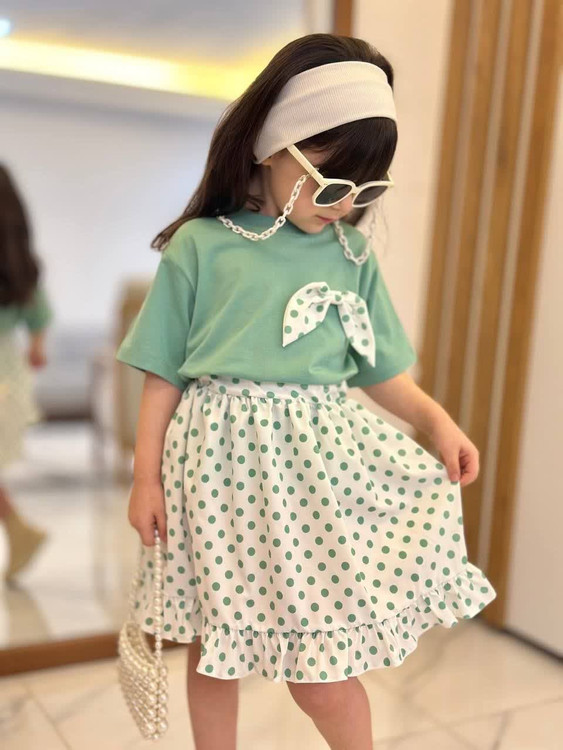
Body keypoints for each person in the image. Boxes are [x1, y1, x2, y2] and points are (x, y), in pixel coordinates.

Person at [116, 33, 496, 750]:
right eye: (330, 185)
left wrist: (436, 422)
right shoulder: (202, 246)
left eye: (365, 190)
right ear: (271, 145)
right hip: (216, 475)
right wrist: (145, 478)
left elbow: (378, 370)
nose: (344, 205)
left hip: (314, 486)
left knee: (321, 673)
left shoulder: (350, 255)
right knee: (213, 640)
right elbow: (162, 370)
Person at [0, 164, 52, 581]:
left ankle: (20, 531)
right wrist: (36, 347)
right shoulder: (19, 265)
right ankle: (19, 531)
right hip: (8, 378)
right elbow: (39, 318)